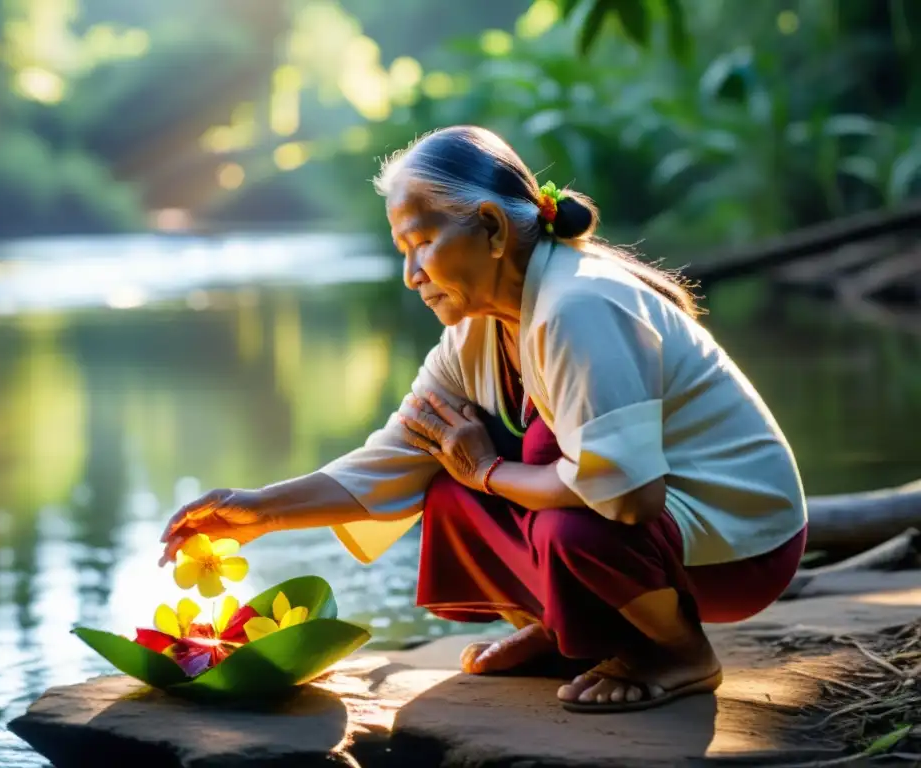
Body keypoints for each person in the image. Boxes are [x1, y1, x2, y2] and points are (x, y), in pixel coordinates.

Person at [159, 125, 808, 713]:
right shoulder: (477, 331)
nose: (412, 275)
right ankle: (571, 634)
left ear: (494, 230)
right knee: (445, 489)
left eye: (422, 243)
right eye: (401, 250)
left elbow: (631, 499)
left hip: (745, 546)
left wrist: (491, 472)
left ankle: (677, 653)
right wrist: (261, 511)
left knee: (563, 524)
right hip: (652, 529)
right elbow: (396, 458)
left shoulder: (580, 305)